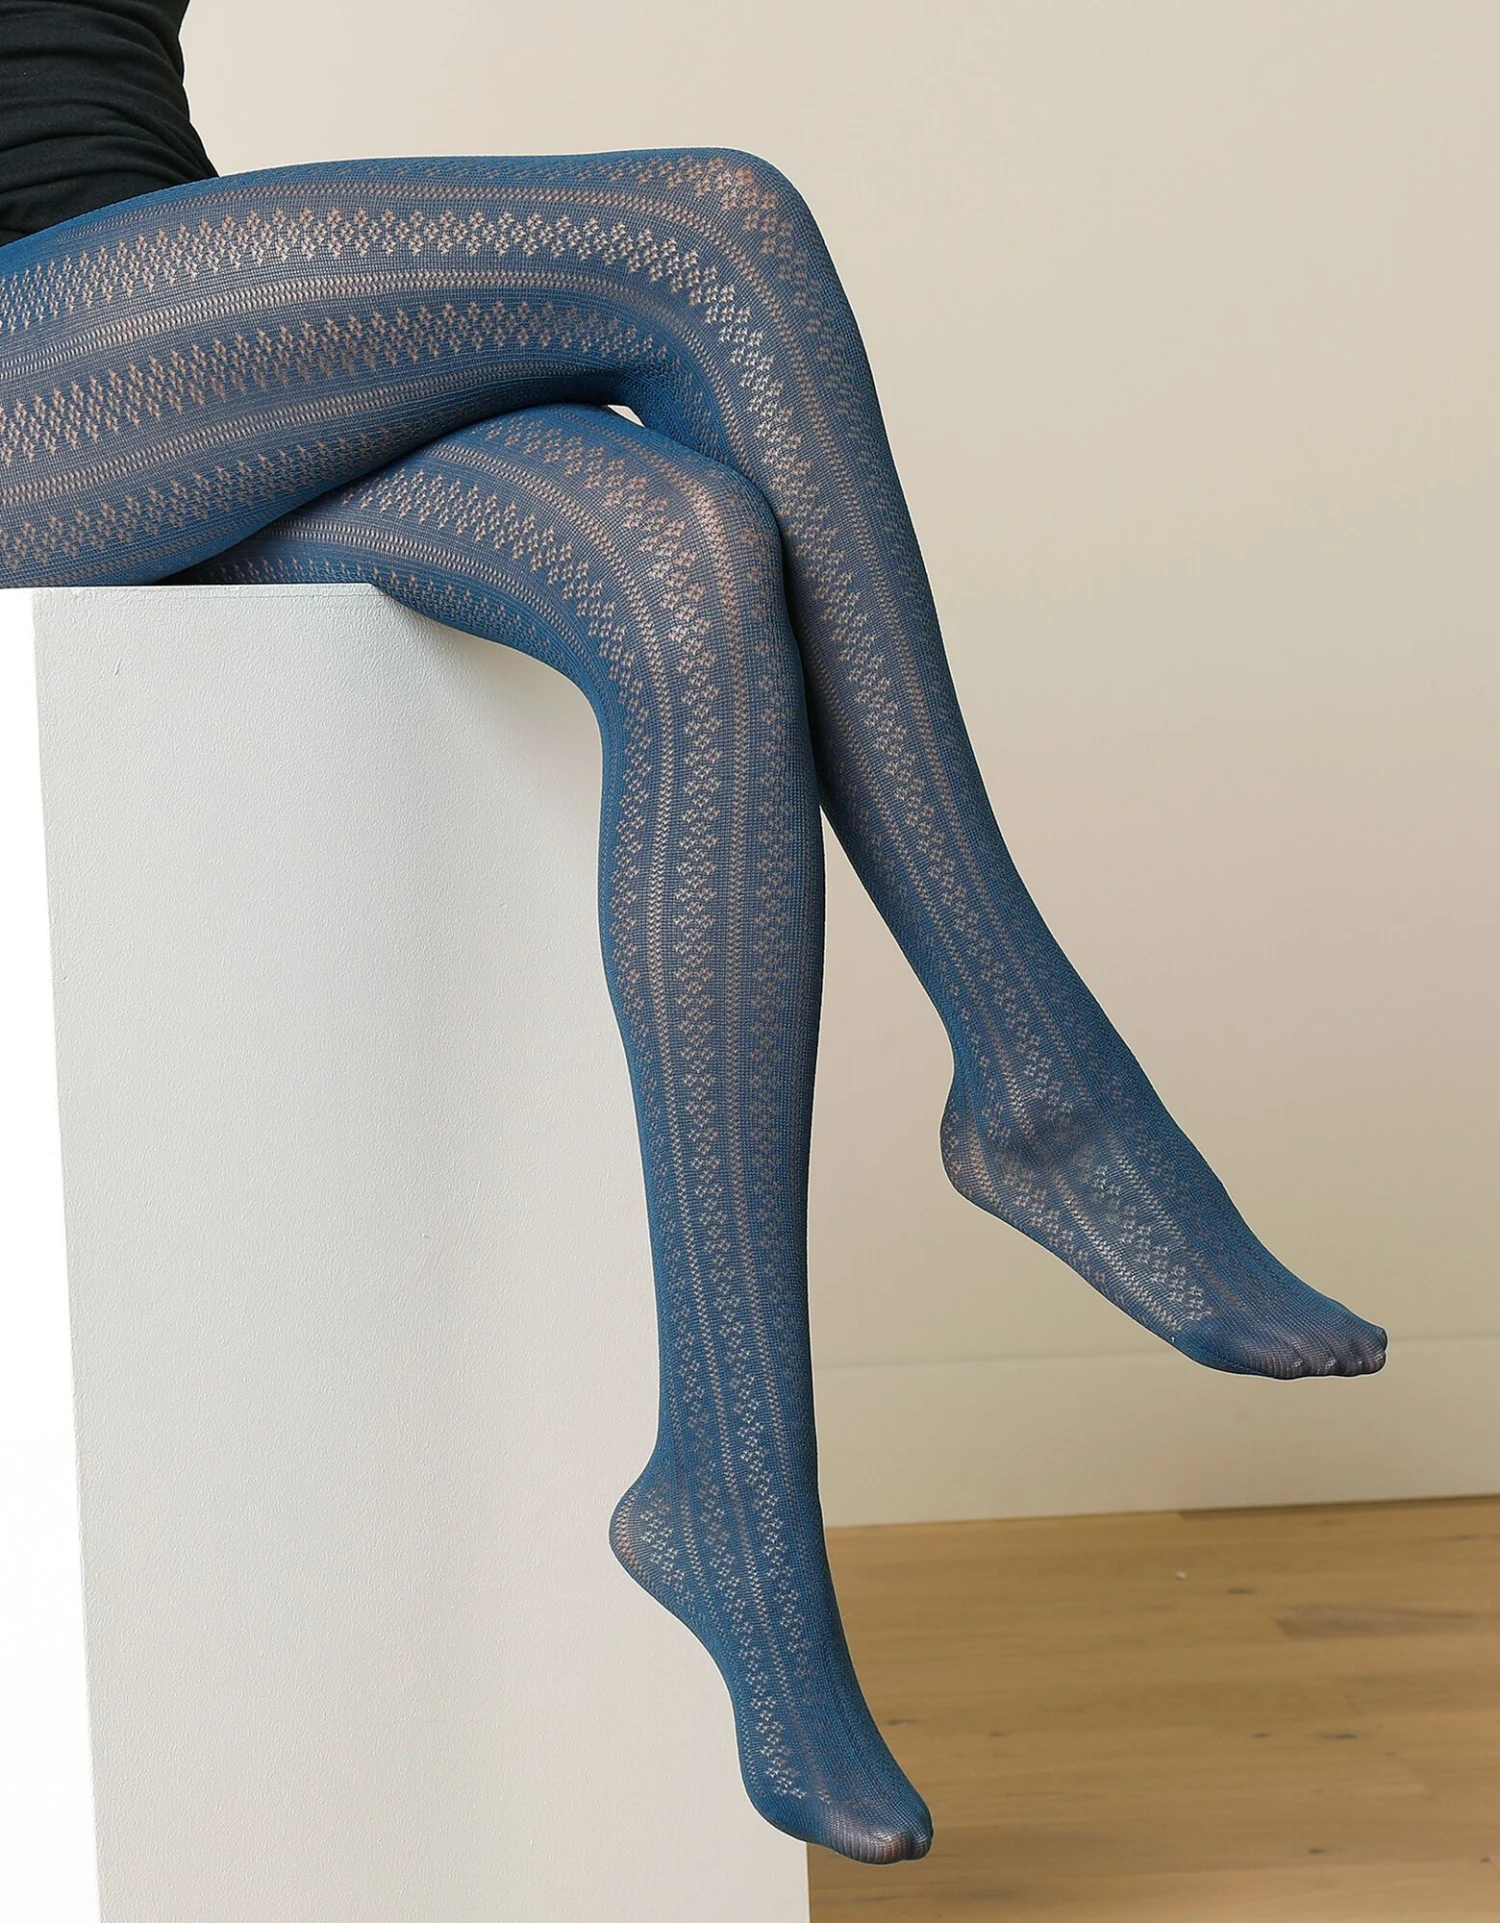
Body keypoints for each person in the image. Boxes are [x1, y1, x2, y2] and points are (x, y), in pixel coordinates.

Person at [0, 0, 1387, 1866]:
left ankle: (732, 1476)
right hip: (37, 383)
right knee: (710, 231)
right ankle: (1041, 1078)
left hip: (163, 347)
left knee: (687, 559)